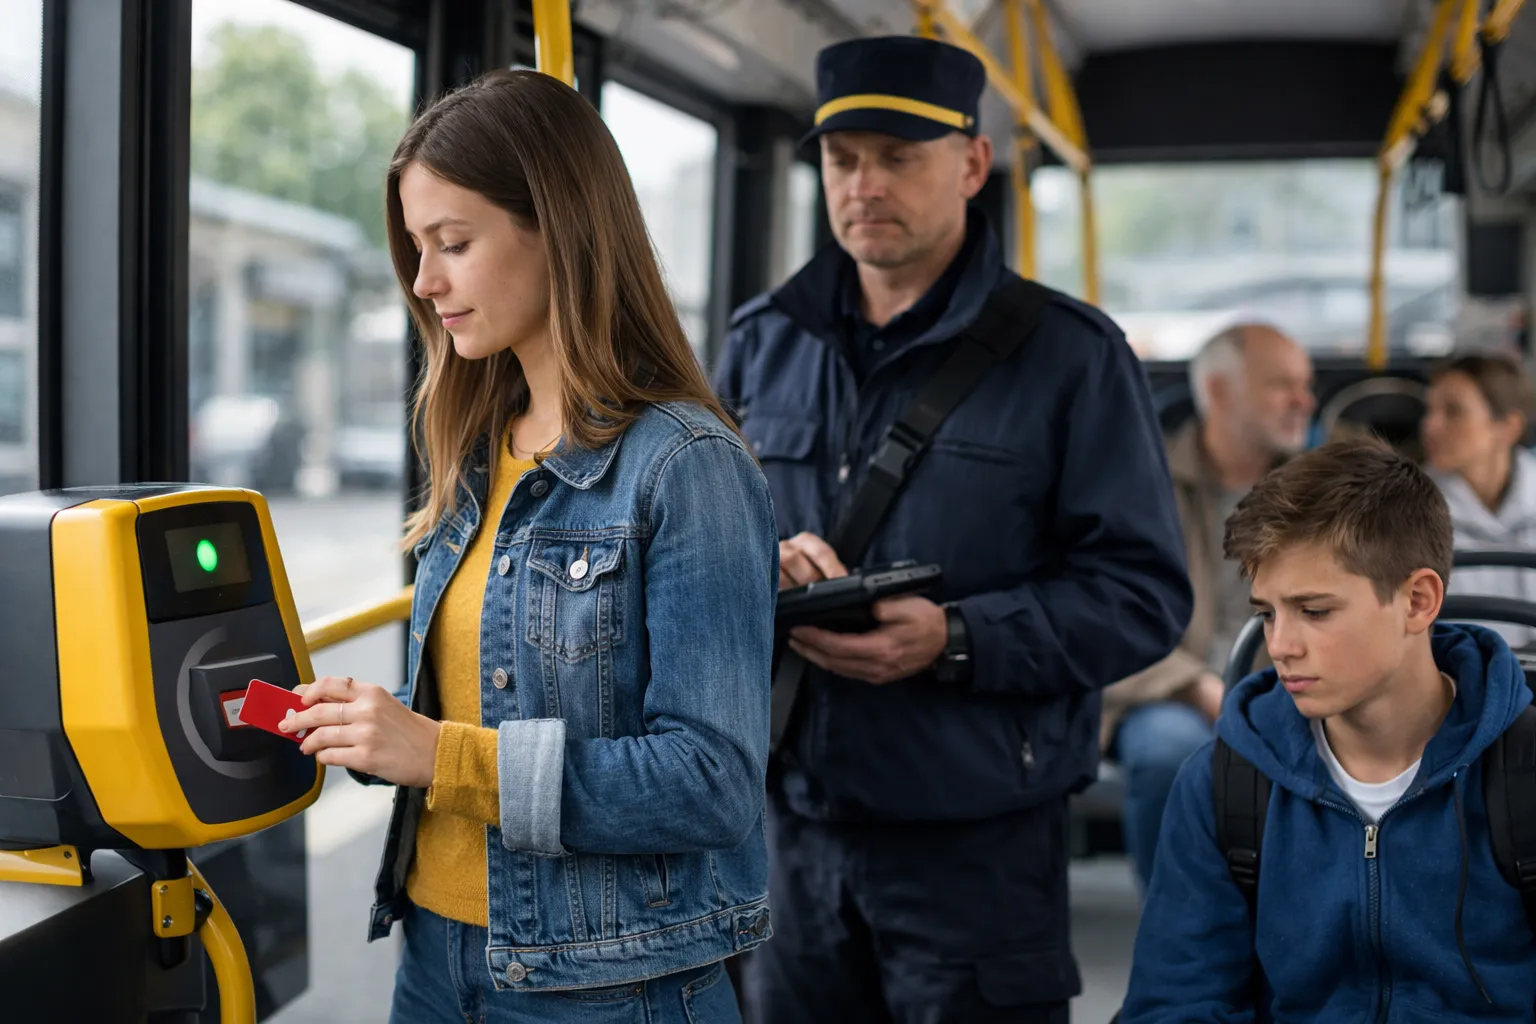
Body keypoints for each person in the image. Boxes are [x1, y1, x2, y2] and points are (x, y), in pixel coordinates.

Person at [277, 69, 778, 1024]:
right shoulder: (476, 451)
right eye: (417, 248)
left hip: (605, 986)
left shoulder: (686, 467)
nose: (424, 282)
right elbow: (483, 709)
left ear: (558, 229)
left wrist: (440, 754)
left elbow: (711, 784)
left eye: (454, 243)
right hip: (434, 959)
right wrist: (381, 735)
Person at [714, 35, 1191, 1023]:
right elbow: (693, 543)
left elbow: (1142, 595)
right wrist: (757, 564)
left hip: (978, 839)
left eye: (898, 156)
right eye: (843, 159)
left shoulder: (1072, 358)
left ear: (973, 164)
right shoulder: (764, 342)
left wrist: (958, 636)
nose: (864, 185)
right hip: (786, 828)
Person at [1121, 437, 1536, 1021]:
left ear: (1418, 601)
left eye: (1315, 612)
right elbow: (1178, 1002)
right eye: (1267, 613)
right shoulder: (1223, 784)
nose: (1280, 645)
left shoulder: (1524, 775)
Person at [1103, 323, 1314, 890]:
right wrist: (1194, 685)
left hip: (1293, 685)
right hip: (1160, 689)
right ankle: (1177, 924)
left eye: (1306, 384)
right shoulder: (1140, 481)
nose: (1305, 401)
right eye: (1283, 385)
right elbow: (1111, 616)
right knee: (1169, 754)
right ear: (1219, 391)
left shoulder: (1319, 488)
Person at [1423, 352, 1536, 647]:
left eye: (1454, 412)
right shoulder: (1409, 510)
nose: (1430, 426)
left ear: (1508, 426)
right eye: (1430, 410)